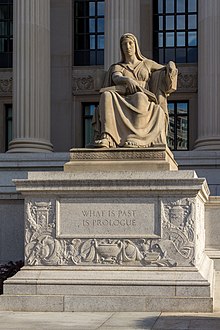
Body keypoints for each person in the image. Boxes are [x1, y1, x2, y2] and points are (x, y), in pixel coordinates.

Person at [93, 33, 178, 148]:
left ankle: (136, 138)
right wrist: (127, 79)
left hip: (143, 95)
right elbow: (116, 77)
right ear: (121, 48)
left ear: (135, 46)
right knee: (107, 95)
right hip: (123, 94)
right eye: (124, 44)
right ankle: (107, 137)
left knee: (139, 97)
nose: (128, 47)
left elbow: (164, 70)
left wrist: (171, 65)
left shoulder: (146, 63)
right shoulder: (118, 66)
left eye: (130, 43)